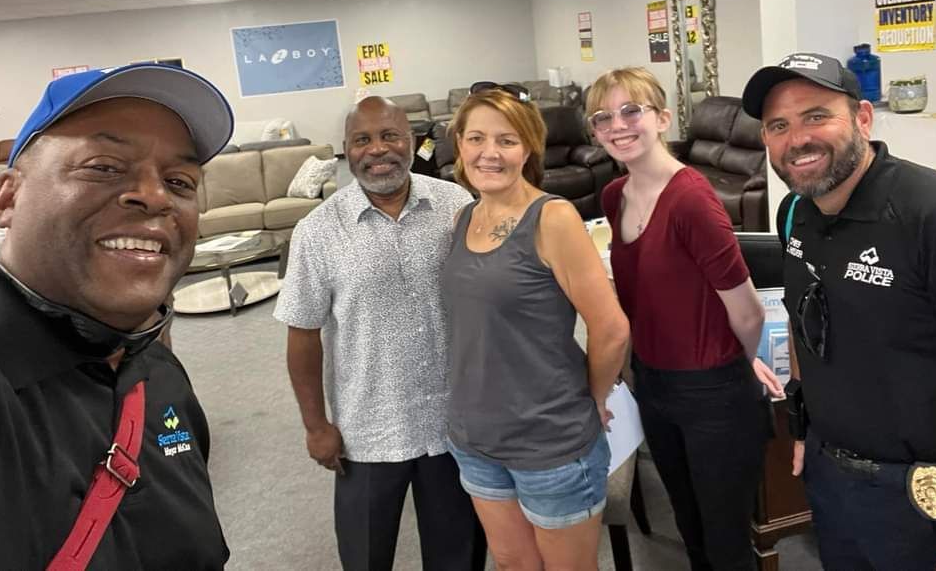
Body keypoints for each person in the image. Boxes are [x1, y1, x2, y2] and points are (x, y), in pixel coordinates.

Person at [0, 64, 232, 568]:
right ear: (8, 198)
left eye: (179, 180)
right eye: (103, 166)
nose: (156, 195)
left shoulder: (161, 380)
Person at [742, 52, 936, 571]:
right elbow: (808, 322)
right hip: (832, 483)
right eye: (778, 125)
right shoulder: (796, 211)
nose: (796, 139)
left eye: (816, 116)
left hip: (931, 499)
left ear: (863, 119)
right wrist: (802, 426)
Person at [274, 96, 485, 571]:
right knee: (366, 557)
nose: (378, 150)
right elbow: (303, 334)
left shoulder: (456, 207)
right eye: (362, 140)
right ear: (346, 152)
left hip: (453, 425)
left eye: (390, 136)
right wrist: (315, 426)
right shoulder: (318, 231)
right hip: (365, 432)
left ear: (411, 142)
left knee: (459, 556)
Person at [586, 66, 782, 571]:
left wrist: (734, 368)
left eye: (632, 110)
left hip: (712, 393)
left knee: (725, 542)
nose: (618, 125)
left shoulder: (693, 200)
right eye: (603, 117)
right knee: (689, 527)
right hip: (654, 386)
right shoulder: (614, 197)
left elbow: (746, 310)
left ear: (663, 118)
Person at [441, 83, 630, 571]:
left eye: (506, 140)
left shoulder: (553, 218)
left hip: (551, 443)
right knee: (512, 564)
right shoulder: (464, 217)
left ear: (527, 148)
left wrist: (592, 398)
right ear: (459, 144)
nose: (490, 153)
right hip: (475, 438)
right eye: (476, 138)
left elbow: (611, 328)